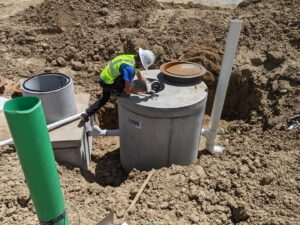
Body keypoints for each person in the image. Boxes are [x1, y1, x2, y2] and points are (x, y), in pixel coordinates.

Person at [80, 48, 155, 122]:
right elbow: (128, 91)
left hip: (104, 78)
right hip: (108, 84)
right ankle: (117, 91)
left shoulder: (131, 58)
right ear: (141, 62)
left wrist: (147, 82)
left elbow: (138, 74)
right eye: (143, 65)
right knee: (128, 87)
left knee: (104, 98)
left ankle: (86, 114)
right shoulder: (130, 69)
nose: (142, 67)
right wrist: (142, 90)